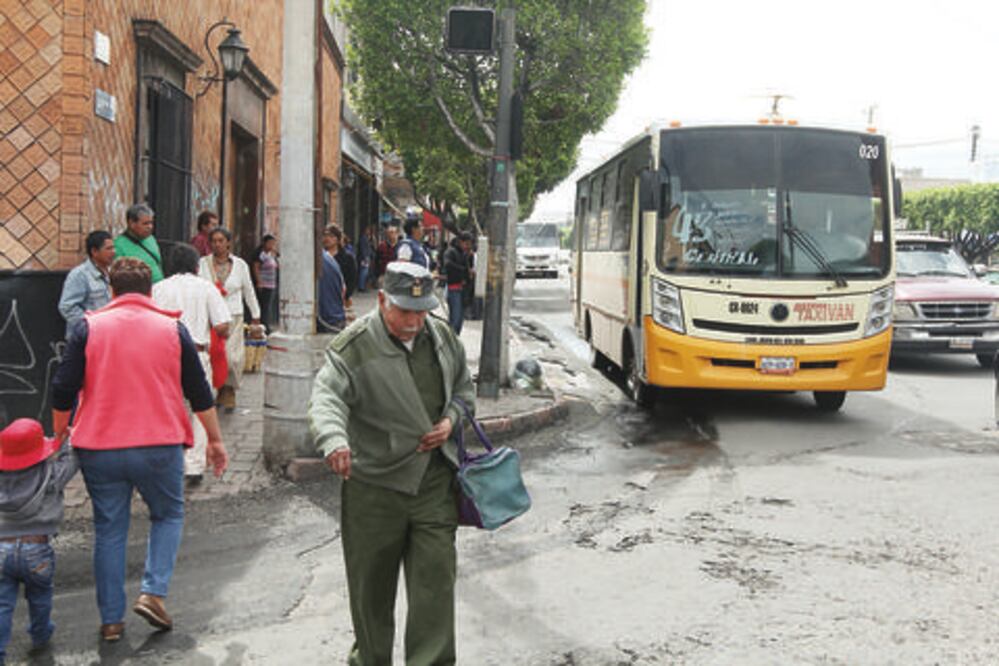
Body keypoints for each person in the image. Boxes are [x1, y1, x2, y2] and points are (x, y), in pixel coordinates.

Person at [50, 257, 228, 642]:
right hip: (159, 445)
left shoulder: (88, 327)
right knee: (167, 515)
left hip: (100, 447)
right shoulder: (172, 329)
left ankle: (111, 621)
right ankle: (153, 592)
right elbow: (199, 392)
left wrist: (60, 431)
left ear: (111, 290)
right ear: (150, 292)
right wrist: (214, 440)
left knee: (109, 530)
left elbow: (63, 388)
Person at [309, 261, 476, 666]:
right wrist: (333, 440)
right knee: (371, 592)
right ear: (382, 300)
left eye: (421, 311)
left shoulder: (442, 337)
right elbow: (326, 398)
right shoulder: (354, 345)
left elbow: (464, 389)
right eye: (404, 311)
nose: (414, 321)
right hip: (374, 488)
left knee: (435, 586)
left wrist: (451, 419)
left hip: (433, 483)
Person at [0, 418, 78, 662]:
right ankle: (41, 634)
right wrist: (66, 438)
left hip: (2, 548)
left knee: (2, 604)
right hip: (37, 548)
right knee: (40, 597)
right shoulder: (51, 475)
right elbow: (72, 460)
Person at [153, 244, 232, 485]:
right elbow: (222, 325)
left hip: (163, 354)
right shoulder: (206, 288)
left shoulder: (157, 288)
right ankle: (194, 465)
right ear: (197, 266)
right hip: (197, 354)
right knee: (200, 406)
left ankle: (166, 459)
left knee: (166, 406)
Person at [198, 228, 261, 411]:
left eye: (221, 241)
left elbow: (248, 290)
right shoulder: (203, 264)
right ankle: (219, 389)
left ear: (228, 243)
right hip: (210, 316)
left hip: (234, 316)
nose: (217, 244)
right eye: (214, 241)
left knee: (232, 357)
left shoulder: (240, 265)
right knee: (214, 354)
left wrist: (255, 315)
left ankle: (229, 389)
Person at [57, 230, 115, 334]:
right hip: (88, 336)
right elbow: (67, 307)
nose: (113, 252)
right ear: (94, 251)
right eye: (108, 249)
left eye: (113, 248)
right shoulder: (80, 275)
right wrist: (89, 326)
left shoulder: (113, 272)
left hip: (108, 334)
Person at [113, 203, 164, 283]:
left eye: (151, 223)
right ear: (132, 224)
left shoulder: (151, 239)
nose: (150, 227)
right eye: (145, 224)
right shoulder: (118, 245)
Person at [318, 225, 347, 333]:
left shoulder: (323, 260)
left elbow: (346, 285)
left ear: (337, 239)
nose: (327, 238)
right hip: (334, 314)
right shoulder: (327, 258)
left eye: (331, 236)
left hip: (329, 317)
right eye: (325, 235)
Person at [443, 232, 473, 334]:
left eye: (469, 244)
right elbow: (447, 264)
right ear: (460, 242)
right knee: (455, 319)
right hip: (454, 289)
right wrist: (463, 270)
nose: (468, 247)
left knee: (459, 320)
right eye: (466, 244)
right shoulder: (451, 252)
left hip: (463, 290)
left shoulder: (465, 254)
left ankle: (454, 338)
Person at [250, 234, 280, 331]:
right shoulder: (261, 254)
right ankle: (264, 325)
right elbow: (256, 268)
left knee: (268, 306)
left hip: (271, 283)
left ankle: (266, 324)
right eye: (270, 243)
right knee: (264, 306)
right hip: (264, 284)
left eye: (273, 244)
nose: (272, 245)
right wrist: (259, 282)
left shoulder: (271, 254)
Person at [336, 234, 359, 301]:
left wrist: (347, 294)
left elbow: (352, 277)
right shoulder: (323, 257)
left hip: (341, 293)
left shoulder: (348, 257)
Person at [356, 225, 375, 293]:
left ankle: (362, 286)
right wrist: (365, 258)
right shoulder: (363, 238)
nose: (369, 231)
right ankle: (361, 287)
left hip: (366, 257)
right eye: (368, 230)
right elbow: (363, 249)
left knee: (364, 272)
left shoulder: (366, 238)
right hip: (365, 258)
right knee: (364, 272)